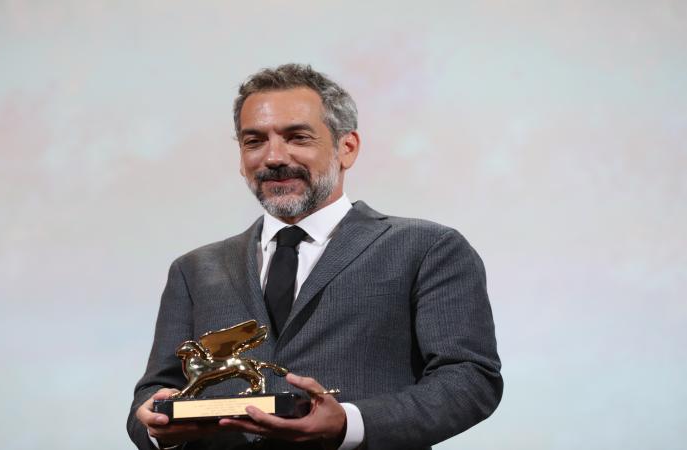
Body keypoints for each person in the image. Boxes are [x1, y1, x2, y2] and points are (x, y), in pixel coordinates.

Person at [127, 63, 503, 450]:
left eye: (297, 137)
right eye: (254, 141)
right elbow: (155, 393)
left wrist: (349, 424)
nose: (273, 157)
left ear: (347, 147)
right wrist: (156, 427)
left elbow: (470, 379)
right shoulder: (194, 269)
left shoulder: (426, 249)